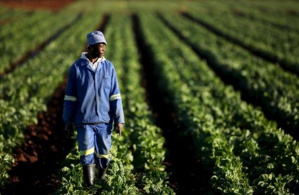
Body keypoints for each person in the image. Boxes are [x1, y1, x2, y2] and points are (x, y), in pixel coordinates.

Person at [62, 30, 125, 186]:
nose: (103, 48)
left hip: (104, 121)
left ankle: (101, 180)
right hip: (84, 121)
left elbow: (115, 95)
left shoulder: (109, 67)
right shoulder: (77, 68)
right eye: (100, 46)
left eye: (104, 45)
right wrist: (68, 120)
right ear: (90, 47)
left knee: (104, 153)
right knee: (86, 151)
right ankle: (89, 185)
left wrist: (119, 119)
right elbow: (70, 97)